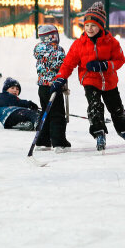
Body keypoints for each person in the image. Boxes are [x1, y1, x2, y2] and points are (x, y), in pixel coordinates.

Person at [50, 1, 125, 152]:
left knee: (116, 108)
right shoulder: (79, 44)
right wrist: (60, 77)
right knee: (95, 107)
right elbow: (68, 64)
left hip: (109, 81)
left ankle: (123, 130)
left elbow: (120, 60)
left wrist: (105, 65)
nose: (90, 29)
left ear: (101, 26)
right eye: (87, 25)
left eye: (94, 26)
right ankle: (99, 133)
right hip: (90, 81)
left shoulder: (111, 42)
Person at [33, 24, 71, 152]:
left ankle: (43, 141)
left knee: (46, 112)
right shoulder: (57, 50)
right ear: (53, 37)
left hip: (42, 87)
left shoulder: (38, 49)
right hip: (53, 87)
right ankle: (59, 143)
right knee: (57, 114)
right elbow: (63, 66)